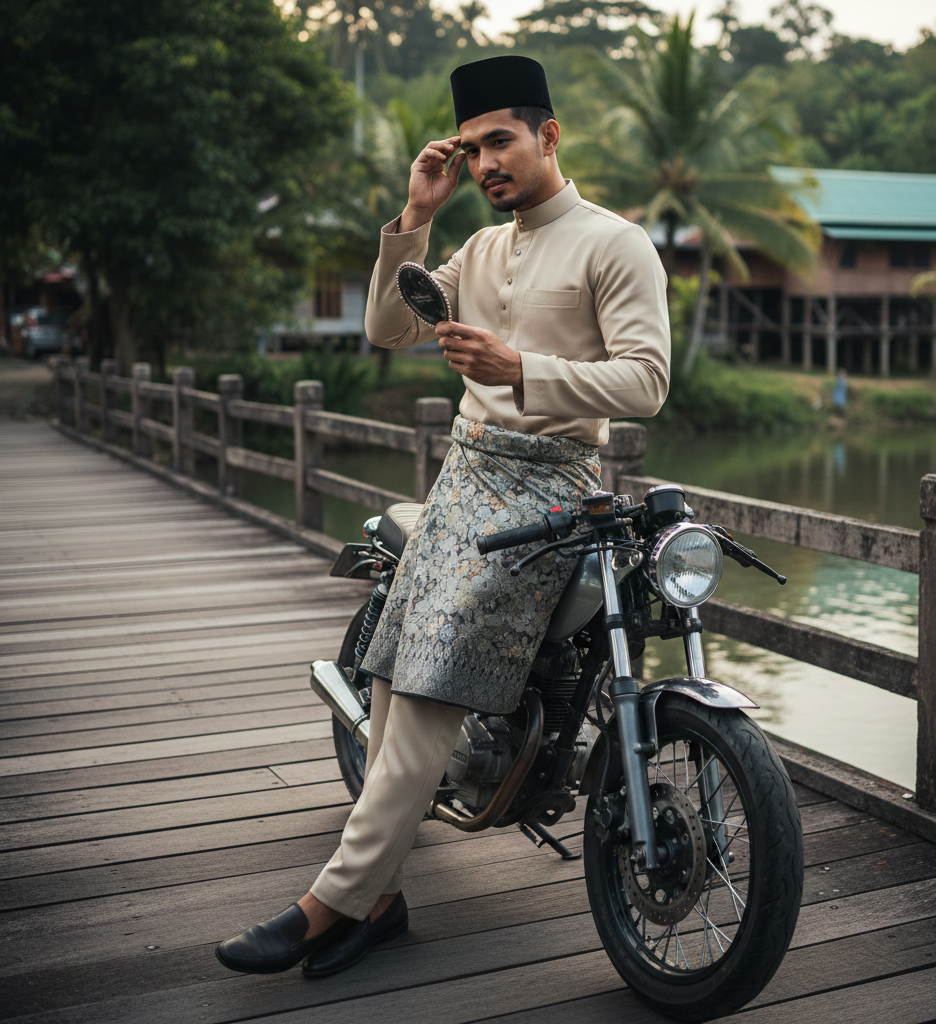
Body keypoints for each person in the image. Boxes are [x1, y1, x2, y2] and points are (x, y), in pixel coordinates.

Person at [215, 54, 671, 979]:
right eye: (470, 149)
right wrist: (415, 218)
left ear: (549, 135)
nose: (485, 162)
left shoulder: (614, 244)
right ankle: (378, 901)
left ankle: (331, 901)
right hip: (461, 477)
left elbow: (649, 381)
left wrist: (523, 372)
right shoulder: (479, 249)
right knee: (388, 671)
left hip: (551, 490)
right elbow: (387, 330)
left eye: (500, 141)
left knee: (428, 683)